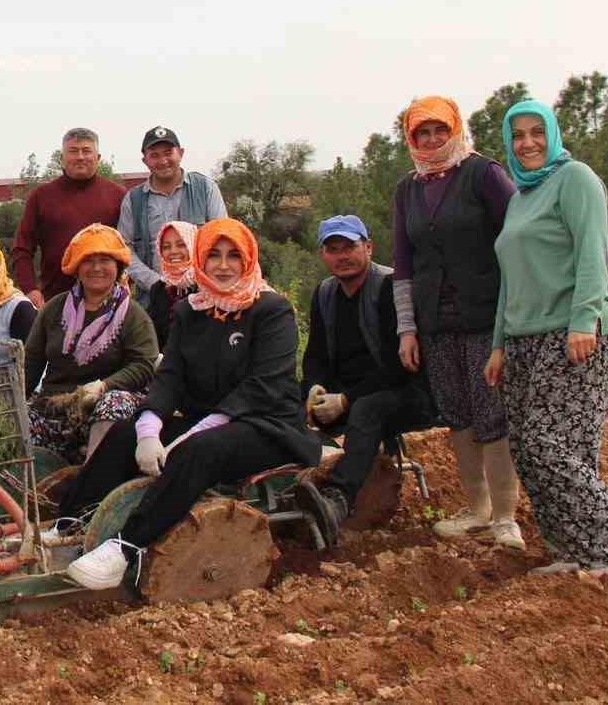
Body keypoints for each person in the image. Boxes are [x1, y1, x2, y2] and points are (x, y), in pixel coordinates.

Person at [57, 218, 319, 590]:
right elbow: (171, 377)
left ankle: (125, 547)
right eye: (214, 255)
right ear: (202, 259)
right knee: (125, 431)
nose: (224, 265)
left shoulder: (271, 310)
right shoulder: (190, 311)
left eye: (233, 256)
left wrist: (192, 432)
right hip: (208, 423)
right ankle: (69, 524)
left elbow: (264, 386)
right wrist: (149, 427)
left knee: (199, 450)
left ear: (247, 260)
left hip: (266, 426)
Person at [484, 100, 608, 578]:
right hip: (522, 340)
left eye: (537, 132)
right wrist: (498, 343)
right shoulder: (519, 197)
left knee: (548, 444)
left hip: (571, 332)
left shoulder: (576, 179)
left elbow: (594, 253)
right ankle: (573, 551)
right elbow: (509, 279)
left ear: (552, 134)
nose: (528, 143)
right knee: (532, 452)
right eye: (518, 135)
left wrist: (585, 320)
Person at [392, 95, 524, 550]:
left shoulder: (483, 174)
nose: (431, 140)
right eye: (421, 133)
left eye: (438, 130)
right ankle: (476, 509)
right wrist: (407, 329)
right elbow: (403, 265)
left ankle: (506, 517)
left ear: (455, 130)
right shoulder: (408, 188)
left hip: (486, 316)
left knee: (493, 415)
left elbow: (519, 235)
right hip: (435, 324)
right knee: (458, 417)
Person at [293, 215, 434, 545]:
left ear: (368, 248)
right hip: (351, 395)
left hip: (407, 393)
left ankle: (337, 500)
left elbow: (399, 365)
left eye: (350, 247)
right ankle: (284, 491)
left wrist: (346, 400)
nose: (342, 256)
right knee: (285, 400)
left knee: (368, 408)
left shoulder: (389, 287)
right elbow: (315, 355)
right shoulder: (326, 293)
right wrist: (314, 391)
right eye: (333, 249)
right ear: (323, 255)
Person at [23, 224, 157, 464]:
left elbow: (144, 365)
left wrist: (104, 386)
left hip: (104, 407)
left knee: (113, 401)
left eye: (105, 260)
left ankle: (92, 478)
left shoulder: (134, 315)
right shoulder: (53, 309)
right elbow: (30, 364)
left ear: (118, 267)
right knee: (17, 422)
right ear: (76, 268)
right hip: (55, 408)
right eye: (88, 260)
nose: (96, 268)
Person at [12, 128, 127, 308]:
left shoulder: (118, 196)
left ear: (98, 157)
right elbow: (22, 249)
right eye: (73, 151)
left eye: (86, 150)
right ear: (63, 158)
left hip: (109, 303)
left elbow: (130, 247)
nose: (80, 157)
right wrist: (30, 289)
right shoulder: (41, 197)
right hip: (55, 302)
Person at [117, 126, 226, 298]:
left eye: (168, 153)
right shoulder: (133, 199)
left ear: (181, 153)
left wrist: (193, 279)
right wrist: (156, 283)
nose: (163, 160)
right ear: (145, 160)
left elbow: (222, 238)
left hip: (204, 294)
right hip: (153, 300)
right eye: (154, 155)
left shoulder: (205, 188)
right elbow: (124, 248)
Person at [144, 220, 197, 349]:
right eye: (166, 247)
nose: (173, 251)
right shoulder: (159, 289)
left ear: (194, 246)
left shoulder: (207, 288)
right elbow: (151, 337)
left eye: (181, 244)